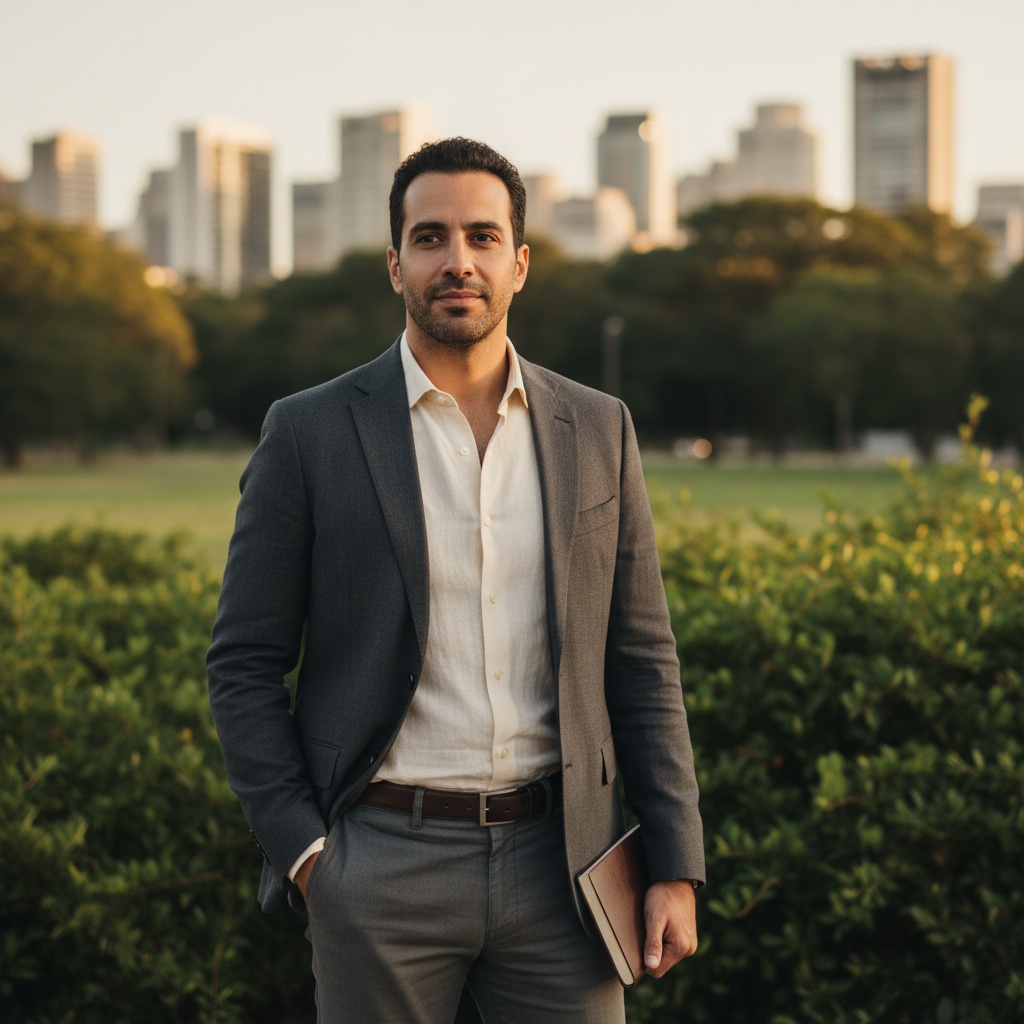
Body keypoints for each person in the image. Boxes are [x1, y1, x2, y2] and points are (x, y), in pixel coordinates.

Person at [207, 137, 704, 1024]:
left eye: (482, 236)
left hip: (566, 866)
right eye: (430, 237)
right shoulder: (309, 433)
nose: (458, 261)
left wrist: (673, 863)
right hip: (379, 864)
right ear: (395, 264)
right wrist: (308, 855)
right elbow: (243, 662)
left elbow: (642, 659)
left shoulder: (599, 428)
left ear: (521, 263)